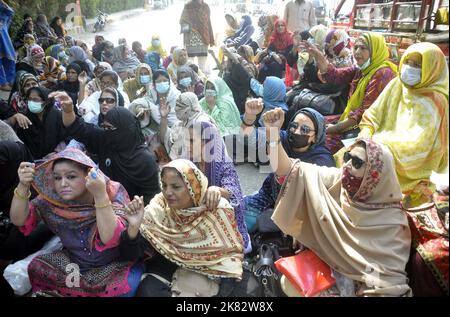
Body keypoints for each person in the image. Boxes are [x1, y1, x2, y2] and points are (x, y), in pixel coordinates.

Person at [263, 108, 412, 296]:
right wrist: (273, 133)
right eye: (348, 157)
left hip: (362, 288)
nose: (348, 165)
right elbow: (287, 169)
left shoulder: (392, 222)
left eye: (357, 163)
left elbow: (388, 282)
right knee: (289, 283)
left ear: (374, 175)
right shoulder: (339, 181)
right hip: (326, 271)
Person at [10, 148, 143, 296]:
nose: (63, 184)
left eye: (71, 177)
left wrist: (100, 196)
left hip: (114, 265)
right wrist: (23, 186)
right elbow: (19, 220)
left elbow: (111, 238)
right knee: (36, 267)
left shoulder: (110, 192)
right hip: (75, 264)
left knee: (124, 290)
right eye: (57, 178)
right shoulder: (52, 200)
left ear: (88, 176)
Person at [119, 159, 244, 297]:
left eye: (176, 187)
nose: (168, 192)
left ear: (193, 187)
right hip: (165, 268)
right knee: (147, 292)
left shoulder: (214, 209)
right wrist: (133, 228)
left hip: (204, 271)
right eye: (164, 185)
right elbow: (130, 256)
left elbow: (229, 257)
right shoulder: (158, 208)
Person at [359, 42, 449, 208]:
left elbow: (420, 144)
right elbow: (373, 114)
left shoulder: (437, 100)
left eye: (417, 65)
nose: (409, 68)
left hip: (412, 162)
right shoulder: (397, 84)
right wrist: (366, 131)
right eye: (407, 62)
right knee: (349, 157)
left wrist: (379, 146)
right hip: (380, 143)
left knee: (370, 164)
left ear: (432, 68)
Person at [57, 92, 160, 205]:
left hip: (132, 212)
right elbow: (79, 128)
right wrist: (68, 110)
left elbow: (152, 199)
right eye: (104, 127)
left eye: (110, 128)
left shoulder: (145, 160)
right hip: (103, 204)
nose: (106, 131)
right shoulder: (105, 140)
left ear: (125, 130)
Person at [243, 107, 335, 232]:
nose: (297, 132)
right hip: (267, 197)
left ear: (315, 136)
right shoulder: (284, 139)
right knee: (234, 214)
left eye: (305, 129)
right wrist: (249, 116)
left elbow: (318, 204)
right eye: (294, 125)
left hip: (295, 213)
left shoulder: (322, 160)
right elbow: (249, 138)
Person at [304, 32, 397, 154]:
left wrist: (335, 128)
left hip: (368, 128)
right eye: (356, 47)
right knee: (310, 121)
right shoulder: (362, 69)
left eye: (363, 48)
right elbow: (334, 75)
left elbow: (364, 113)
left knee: (319, 140)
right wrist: (317, 55)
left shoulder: (383, 74)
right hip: (351, 119)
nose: (357, 52)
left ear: (375, 50)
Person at [187, 122, 251, 251]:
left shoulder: (224, 165)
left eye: (192, 141)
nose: (187, 146)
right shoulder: (192, 165)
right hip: (205, 227)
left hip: (230, 236)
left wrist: (217, 190)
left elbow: (234, 194)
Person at [8, 86, 67, 159]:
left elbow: (64, 137)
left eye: (35, 100)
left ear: (46, 101)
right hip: (31, 161)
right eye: (29, 99)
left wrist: (56, 153)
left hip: (56, 158)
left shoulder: (57, 115)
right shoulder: (25, 117)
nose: (31, 102)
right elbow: (22, 143)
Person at [160, 92, 213, 160]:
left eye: (180, 106)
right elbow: (164, 138)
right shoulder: (181, 123)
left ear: (191, 107)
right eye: (176, 105)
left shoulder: (202, 123)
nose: (176, 108)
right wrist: (163, 118)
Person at [180, 0, 215, 75]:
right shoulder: (188, 6)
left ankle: (204, 81)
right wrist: (191, 28)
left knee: (203, 64)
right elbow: (182, 21)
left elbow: (208, 22)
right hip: (191, 37)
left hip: (204, 38)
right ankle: (192, 79)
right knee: (190, 62)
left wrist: (211, 38)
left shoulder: (206, 6)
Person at [0, 0, 15, 92]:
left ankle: (10, 81)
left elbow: (10, 12)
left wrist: (3, 4)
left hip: (5, 40)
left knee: (10, 59)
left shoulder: (3, 16)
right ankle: (2, 83)